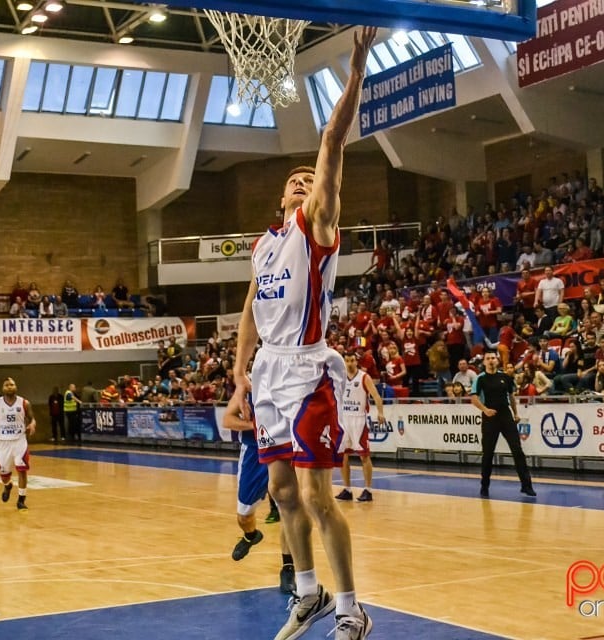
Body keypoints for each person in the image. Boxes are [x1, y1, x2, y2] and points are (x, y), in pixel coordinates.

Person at [229, 27, 376, 640]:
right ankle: (309, 595)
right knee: (283, 495)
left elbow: (332, 138)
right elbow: (247, 312)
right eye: (292, 179)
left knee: (318, 496)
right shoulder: (265, 244)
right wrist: (239, 376)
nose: (301, 181)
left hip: (309, 369)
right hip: (267, 372)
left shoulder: (318, 227)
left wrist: (357, 70)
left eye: (307, 178)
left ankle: (350, 609)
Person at [222, 394, 295, 595]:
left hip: (283, 450)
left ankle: (288, 568)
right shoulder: (246, 392)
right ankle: (251, 536)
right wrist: (255, 425)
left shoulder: (287, 386)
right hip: (255, 452)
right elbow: (227, 419)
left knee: (289, 513)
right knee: (244, 515)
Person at [470, 351, 535, 498]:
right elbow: (474, 398)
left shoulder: (505, 377)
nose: (491, 360)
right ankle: (484, 485)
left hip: (505, 415)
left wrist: (516, 413)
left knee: (517, 450)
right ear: (484, 362)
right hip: (490, 417)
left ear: (497, 361)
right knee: (488, 453)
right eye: (488, 358)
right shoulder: (480, 379)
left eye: (493, 358)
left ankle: (526, 485)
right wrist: (485, 410)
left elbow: (511, 396)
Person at [335, 352, 386, 503]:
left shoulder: (364, 377)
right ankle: (347, 489)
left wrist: (380, 412)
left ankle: (368, 490)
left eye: (352, 360)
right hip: (343, 420)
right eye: (347, 360)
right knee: (343, 456)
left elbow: (376, 396)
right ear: (343, 362)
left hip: (359, 420)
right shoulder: (339, 377)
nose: (350, 363)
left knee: (364, 456)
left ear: (356, 362)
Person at [0, 378, 36, 511]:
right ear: (3, 388)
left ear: (15, 386)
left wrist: (32, 424)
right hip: (2, 442)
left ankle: (21, 500)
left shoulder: (24, 403)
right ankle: (8, 485)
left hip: (19, 440)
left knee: (22, 470)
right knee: (4, 474)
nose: (10, 387)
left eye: (12, 384)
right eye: (7, 385)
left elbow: (31, 418)